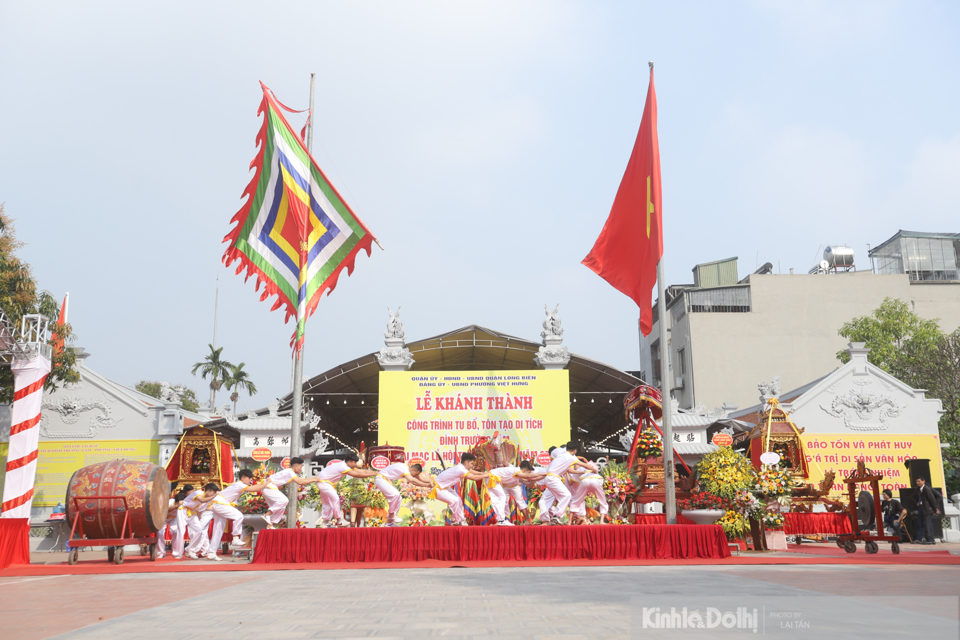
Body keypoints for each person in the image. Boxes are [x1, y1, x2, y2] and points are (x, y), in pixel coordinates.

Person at [208, 470, 269, 556]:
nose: (250, 480)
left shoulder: (239, 485)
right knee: (239, 516)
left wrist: (262, 483)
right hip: (220, 504)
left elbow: (255, 487)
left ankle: (211, 552)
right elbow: (255, 489)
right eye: (249, 478)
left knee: (218, 529)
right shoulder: (240, 485)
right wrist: (267, 483)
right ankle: (235, 537)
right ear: (243, 478)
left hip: (219, 504)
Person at [316, 453, 379, 528]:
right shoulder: (343, 467)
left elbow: (360, 471)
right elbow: (357, 475)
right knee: (335, 499)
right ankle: (339, 520)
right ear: (349, 462)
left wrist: (375, 473)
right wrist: (375, 474)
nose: (356, 464)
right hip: (324, 483)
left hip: (323, 482)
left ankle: (326, 522)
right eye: (354, 462)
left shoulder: (344, 465)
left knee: (327, 502)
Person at [428, 452, 490, 526]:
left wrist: (482, 473)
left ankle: (458, 520)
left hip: (443, 487)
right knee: (455, 501)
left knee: (459, 500)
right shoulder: (460, 469)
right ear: (466, 462)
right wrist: (485, 475)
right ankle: (457, 520)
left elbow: (471, 471)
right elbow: (474, 478)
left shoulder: (461, 467)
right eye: (472, 464)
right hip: (437, 488)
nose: (472, 466)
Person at [262, 457, 320, 528]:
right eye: (300, 467)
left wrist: (315, 479)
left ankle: (270, 525)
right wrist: (315, 479)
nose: (301, 469)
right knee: (284, 500)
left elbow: (301, 480)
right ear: (295, 467)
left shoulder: (290, 473)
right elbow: (300, 482)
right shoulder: (290, 472)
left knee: (282, 507)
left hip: (268, 488)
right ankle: (267, 515)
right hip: (268, 487)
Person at [375, 461, 434, 526]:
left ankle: (389, 523)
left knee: (399, 498)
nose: (416, 476)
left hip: (386, 480)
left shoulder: (410, 469)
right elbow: (413, 481)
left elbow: (422, 479)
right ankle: (391, 515)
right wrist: (428, 485)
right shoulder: (405, 469)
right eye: (416, 474)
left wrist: (436, 481)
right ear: (412, 470)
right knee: (396, 495)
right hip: (381, 479)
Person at [487, 460, 545, 525]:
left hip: (515, 487)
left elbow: (529, 484)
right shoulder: (514, 470)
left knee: (520, 502)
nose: (529, 474)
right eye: (529, 472)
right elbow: (527, 477)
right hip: (504, 486)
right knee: (503, 501)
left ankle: (527, 521)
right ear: (525, 471)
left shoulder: (519, 472)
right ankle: (502, 520)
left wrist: (534, 479)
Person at [539, 441, 582, 525]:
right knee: (564, 497)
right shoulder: (561, 453)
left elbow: (570, 469)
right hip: (554, 479)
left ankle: (553, 519)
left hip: (555, 480)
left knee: (561, 498)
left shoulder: (562, 454)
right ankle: (552, 519)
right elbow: (573, 468)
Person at [183, 483, 219, 560]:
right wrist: (214, 497)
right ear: (208, 491)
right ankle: (178, 554)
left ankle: (190, 550)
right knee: (179, 532)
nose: (213, 494)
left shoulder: (209, 499)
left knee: (199, 531)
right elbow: (202, 500)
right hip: (183, 511)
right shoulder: (198, 492)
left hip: (192, 514)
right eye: (213, 493)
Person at [568, 458, 608, 525]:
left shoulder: (580, 469)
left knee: (576, 501)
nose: (575, 466)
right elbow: (597, 473)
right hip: (596, 480)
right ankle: (601, 521)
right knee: (603, 501)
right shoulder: (592, 465)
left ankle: (569, 522)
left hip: (585, 481)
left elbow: (571, 482)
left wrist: (567, 473)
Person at [157, 489, 189, 559]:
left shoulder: (185, 503)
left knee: (175, 532)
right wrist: (176, 506)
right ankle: (161, 553)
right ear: (176, 501)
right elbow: (165, 510)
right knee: (160, 533)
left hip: (173, 518)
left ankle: (176, 552)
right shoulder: (170, 502)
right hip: (162, 518)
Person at [914, 477, 940, 544]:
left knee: (927, 524)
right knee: (920, 524)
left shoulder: (927, 489)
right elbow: (913, 497)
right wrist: (918, 502)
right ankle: (919, 538)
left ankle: (930, 539)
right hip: (920, 508)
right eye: (916, 481)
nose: (917, 483)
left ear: (923, 481)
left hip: (927, 509)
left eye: (919, 481)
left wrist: (935, 508)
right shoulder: (918, 489)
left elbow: (932, 499)